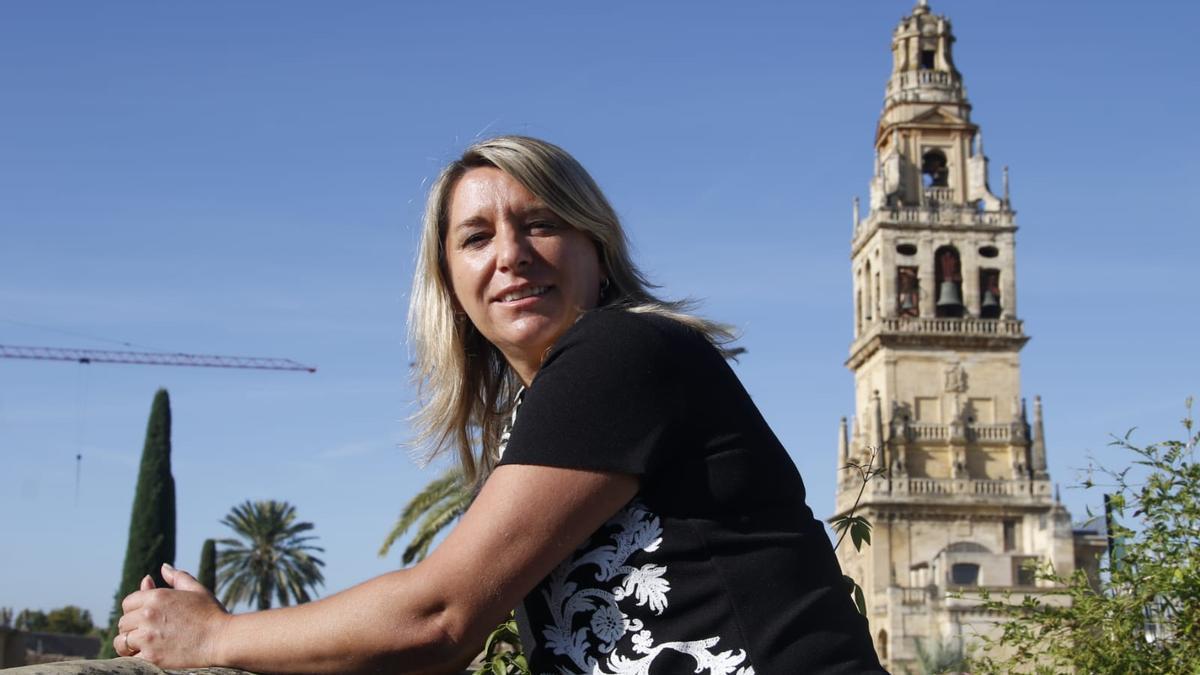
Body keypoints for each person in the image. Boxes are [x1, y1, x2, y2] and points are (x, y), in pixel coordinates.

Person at [102, 136, 884, 674]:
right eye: (475, 237)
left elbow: (440, 616)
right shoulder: (550, 406)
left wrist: (217, 635)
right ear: (449, 282)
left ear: (597, 252)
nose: (511, 254)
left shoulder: (621, 349)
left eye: (541, 223)